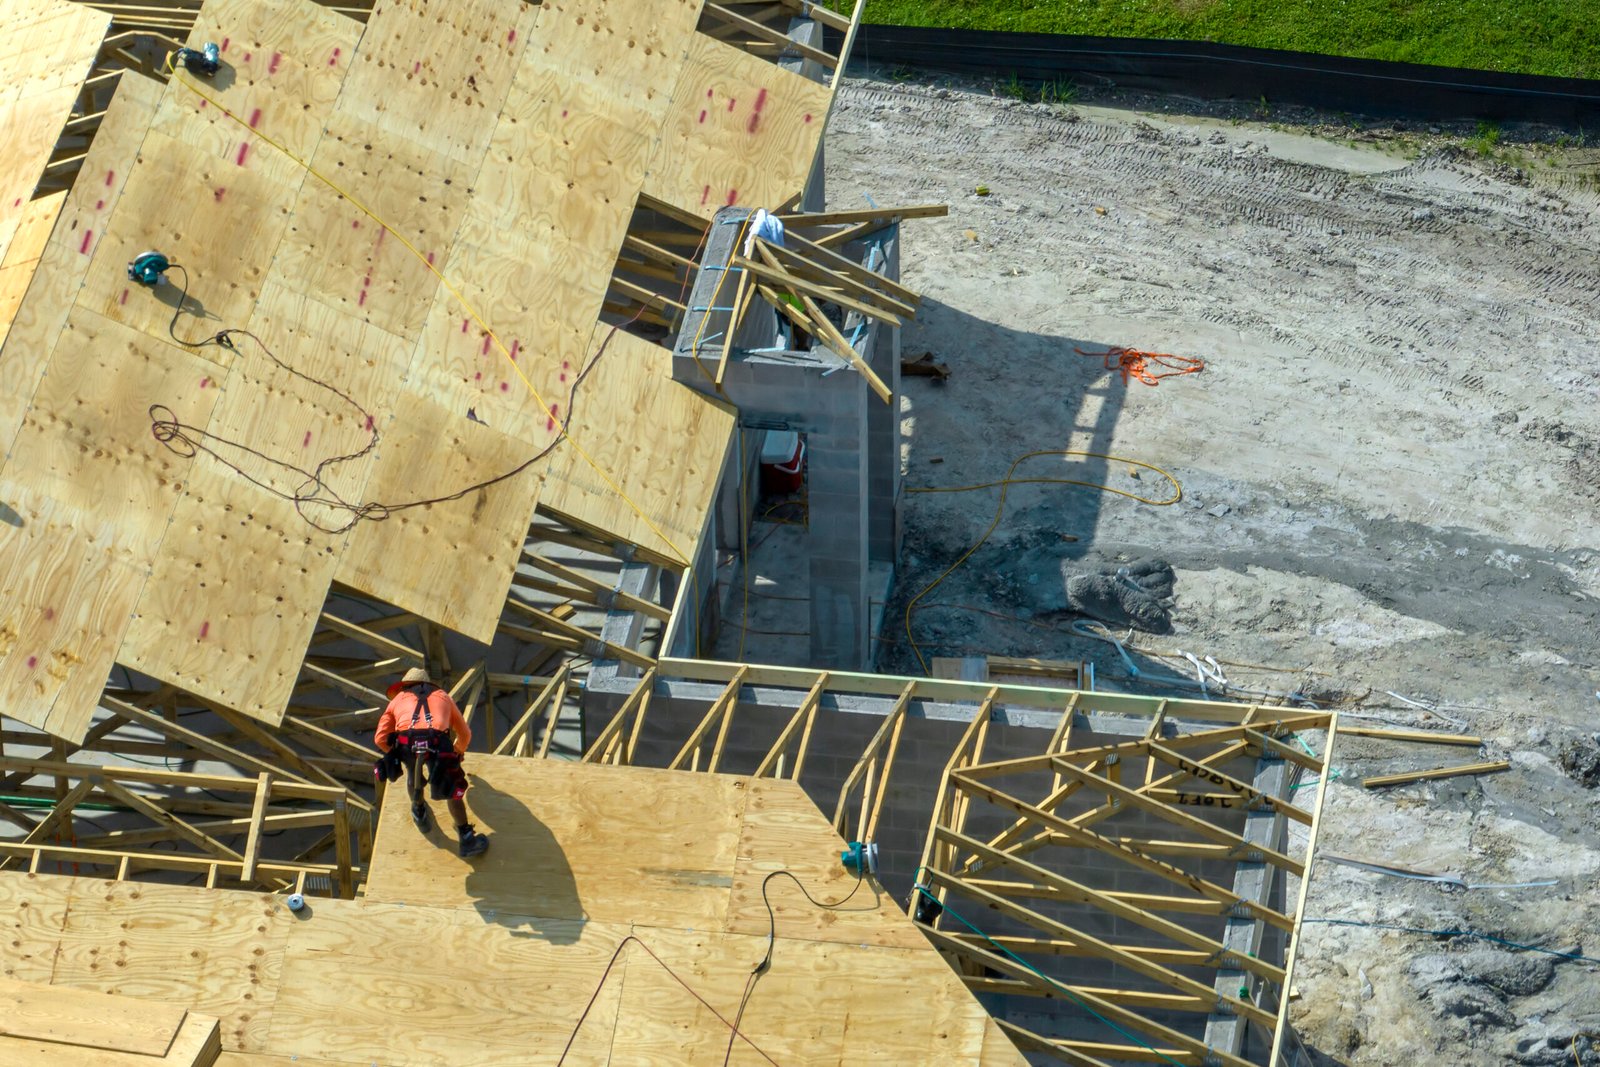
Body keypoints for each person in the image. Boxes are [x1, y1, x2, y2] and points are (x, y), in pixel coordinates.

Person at [375, 667, 490, 857]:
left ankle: (419, 812)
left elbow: (380, 738)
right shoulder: (443, 696)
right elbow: (465, 734)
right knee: (451, 789)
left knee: (413, 774)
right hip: (438, 741)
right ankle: (467, 839)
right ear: (427, 685)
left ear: (405, 686)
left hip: (407, 741)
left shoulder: (397, 700)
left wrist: (394, 753)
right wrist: (457, 751)